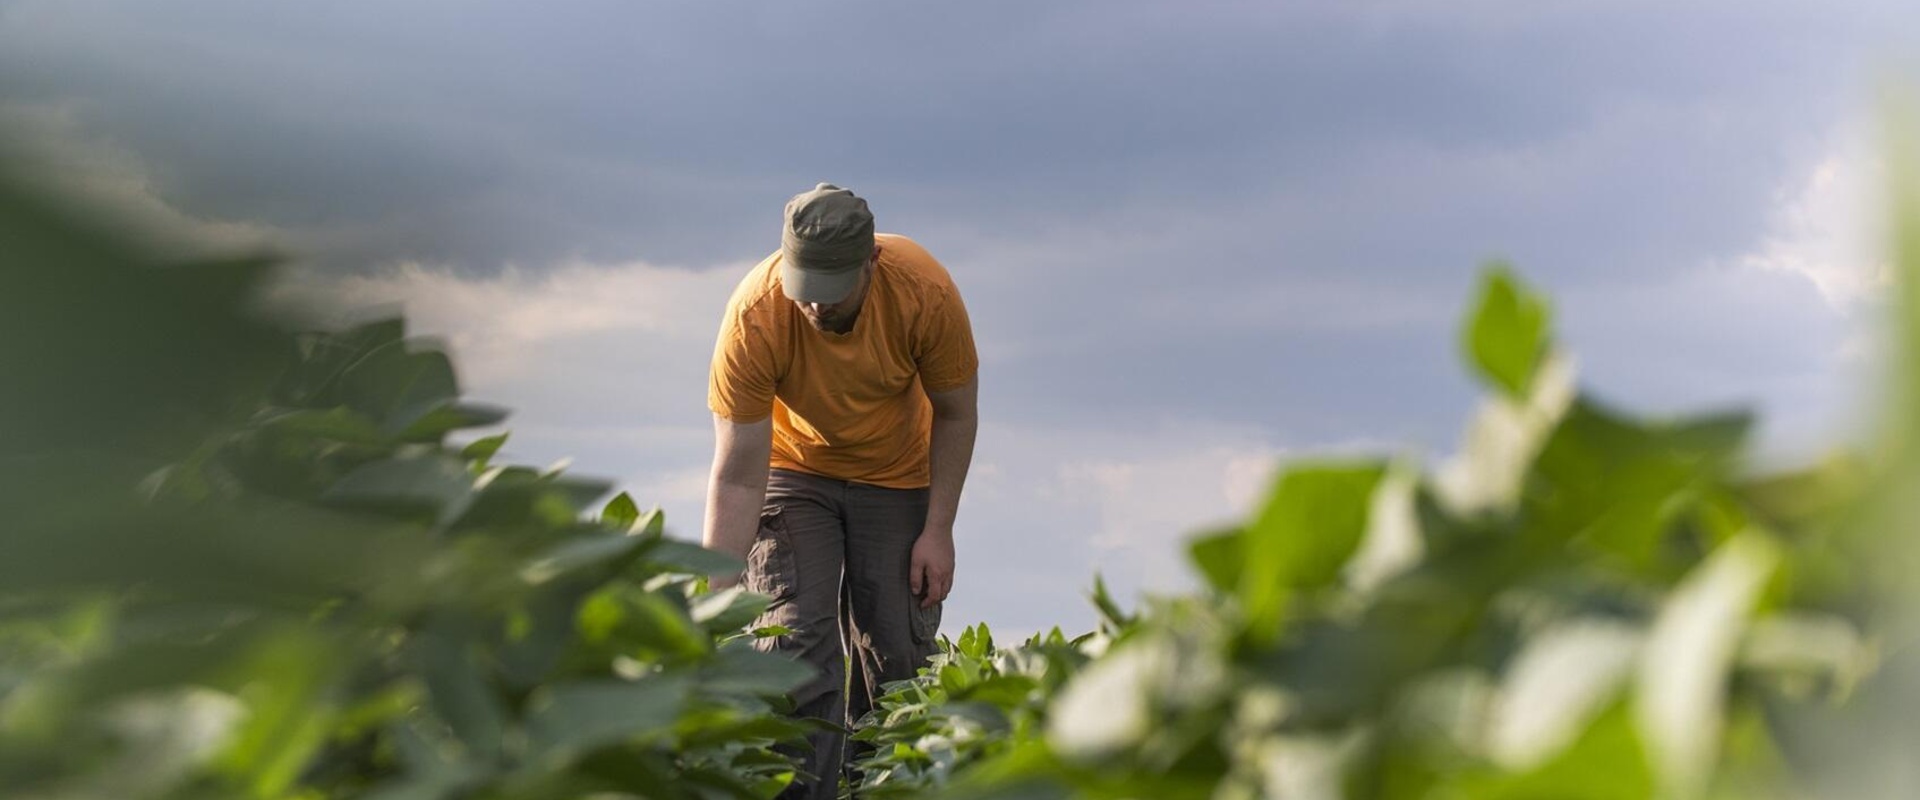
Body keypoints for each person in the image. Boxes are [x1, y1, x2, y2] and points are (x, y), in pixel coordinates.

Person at [703, 183, 980, 799]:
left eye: (831, 293)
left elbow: (957, 414)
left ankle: (881, 788)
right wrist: (714, 595)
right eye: (805, 292)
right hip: (793, 469)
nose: (814, 309)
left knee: (897, 652)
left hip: (899, 473)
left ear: (871, 263)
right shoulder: (755, 315)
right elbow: (738, 473)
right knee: (794, 639)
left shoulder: (925, 291)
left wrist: (938, 530)